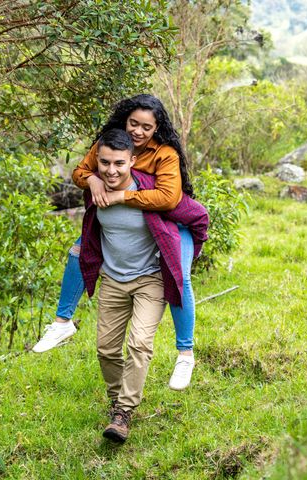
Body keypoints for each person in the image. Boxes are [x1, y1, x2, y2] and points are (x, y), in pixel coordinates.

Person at [32, 94, 205, 391]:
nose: (138, 131)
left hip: (172, 221)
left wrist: (121, 195)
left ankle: (185, 354)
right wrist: (95, 181)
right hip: (133, 223)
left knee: (181, 277)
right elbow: (80, 172)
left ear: (156, 128)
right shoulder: (109, 144)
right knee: (78, 251)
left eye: (146, 127)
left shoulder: (164, 154)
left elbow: (168, 198)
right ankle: (62, 323)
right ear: (124, 120)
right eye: (133, 123)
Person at [81, 129, 206, 442]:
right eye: (105, 163)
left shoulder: (151, 192)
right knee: (106, 349)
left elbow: (195, 214)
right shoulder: (94, 191)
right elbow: (84, 191)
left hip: (149, 279)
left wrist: (189, 253)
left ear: (132, 161)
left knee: (139, 343)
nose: (111, 170)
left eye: (119, 164)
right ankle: (116, 401)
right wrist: (91, 180)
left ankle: (123, 412)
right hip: (112, 279)